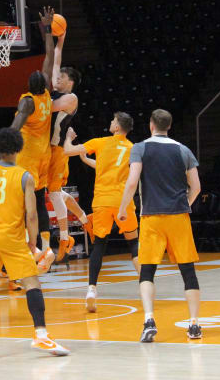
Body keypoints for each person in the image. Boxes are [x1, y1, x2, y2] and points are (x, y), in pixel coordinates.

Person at [0, 127, 69, 359]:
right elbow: (31, 215)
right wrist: (32, 242)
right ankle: (40, 335)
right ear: (19, 148)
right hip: (12, 238)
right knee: (32, 283)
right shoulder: (25, 176)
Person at [0, 7, 58, 273]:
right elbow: (49, 55)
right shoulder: (47, 95)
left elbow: (12, 132)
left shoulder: (27, 101)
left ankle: (27, 253)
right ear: (45, 84)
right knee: (38, 202)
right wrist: (46, 29)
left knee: (18, 206)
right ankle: (45, 248)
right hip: (43, 157)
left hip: (25, 157)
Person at [117, 109, 202, 342]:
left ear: (151, 125)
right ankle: (194, 325)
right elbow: (196, 187)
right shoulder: (183, 149)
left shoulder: (140, 148)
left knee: (147, 271)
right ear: (169, 126)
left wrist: (123, 209)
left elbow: (133, 181)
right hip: (178, 217)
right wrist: (185, 204)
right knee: (188, 272)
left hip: (151, 217)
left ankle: (149, 320)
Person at [63, 112, 139, 313]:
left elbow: (67, 151)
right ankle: (145, 283)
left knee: (99, 245)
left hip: (103, 201)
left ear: (116, 127)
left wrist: (69, 138)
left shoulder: (101, 142)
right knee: (134, 242)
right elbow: (112, 168)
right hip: (123, 201)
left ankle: (91, 289)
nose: (110, 122)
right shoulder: (133, 148)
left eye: (113, 120)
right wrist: (87, 160)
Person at [48, 30, 88, 262]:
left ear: (70, 82)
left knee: (53, 193)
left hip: (57, 151)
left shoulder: (70, 98)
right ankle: (84, 219)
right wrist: (60, 39)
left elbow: (50, 108)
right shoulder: (56, 91)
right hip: (48, 150)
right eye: (58, 77)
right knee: (57, 193)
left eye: (61, 78)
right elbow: (56, 59)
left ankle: (65, 237)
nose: (58, 79)